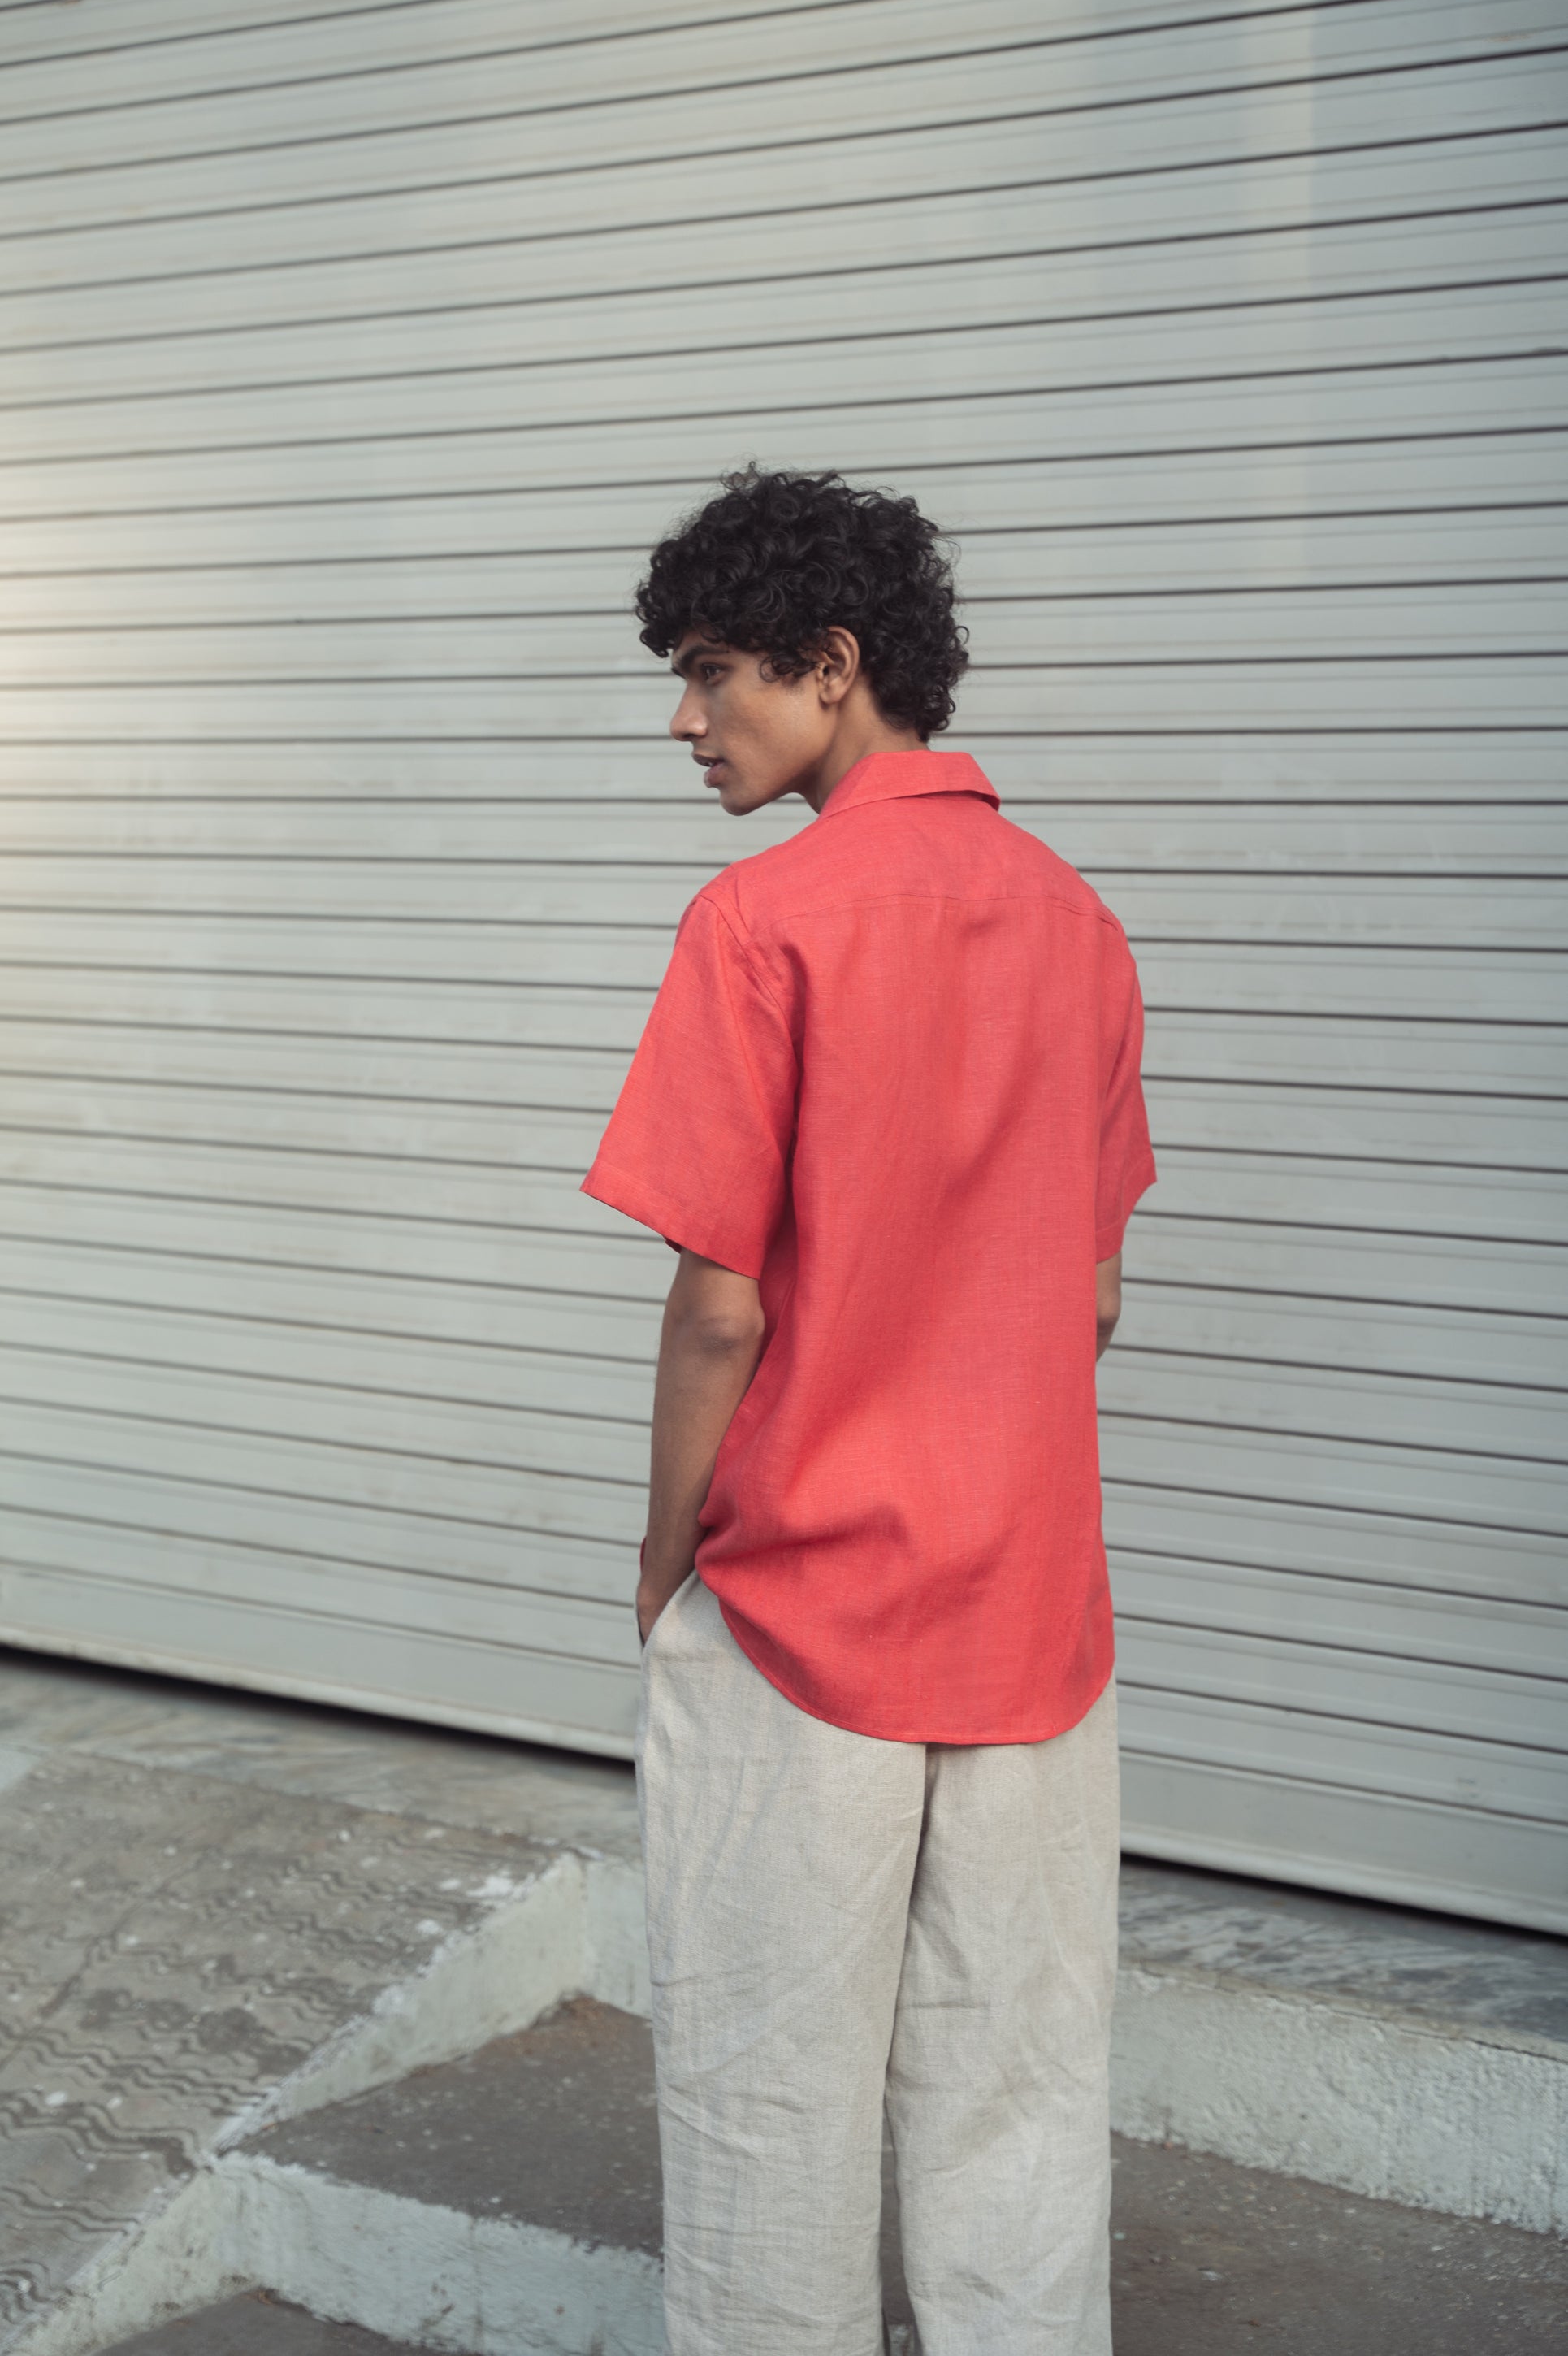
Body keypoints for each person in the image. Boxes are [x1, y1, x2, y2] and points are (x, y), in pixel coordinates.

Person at [579, 466, 1155, 2356]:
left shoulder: (761, 923)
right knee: (1017, 2088)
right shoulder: (1076, 922)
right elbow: (1084, 1292)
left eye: (714, 670)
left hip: (803, 1605)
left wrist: (668, 1555)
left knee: (770, 2095)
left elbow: (718, 1305)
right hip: (1032, 1614)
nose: (685, 719)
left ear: (833, 667)